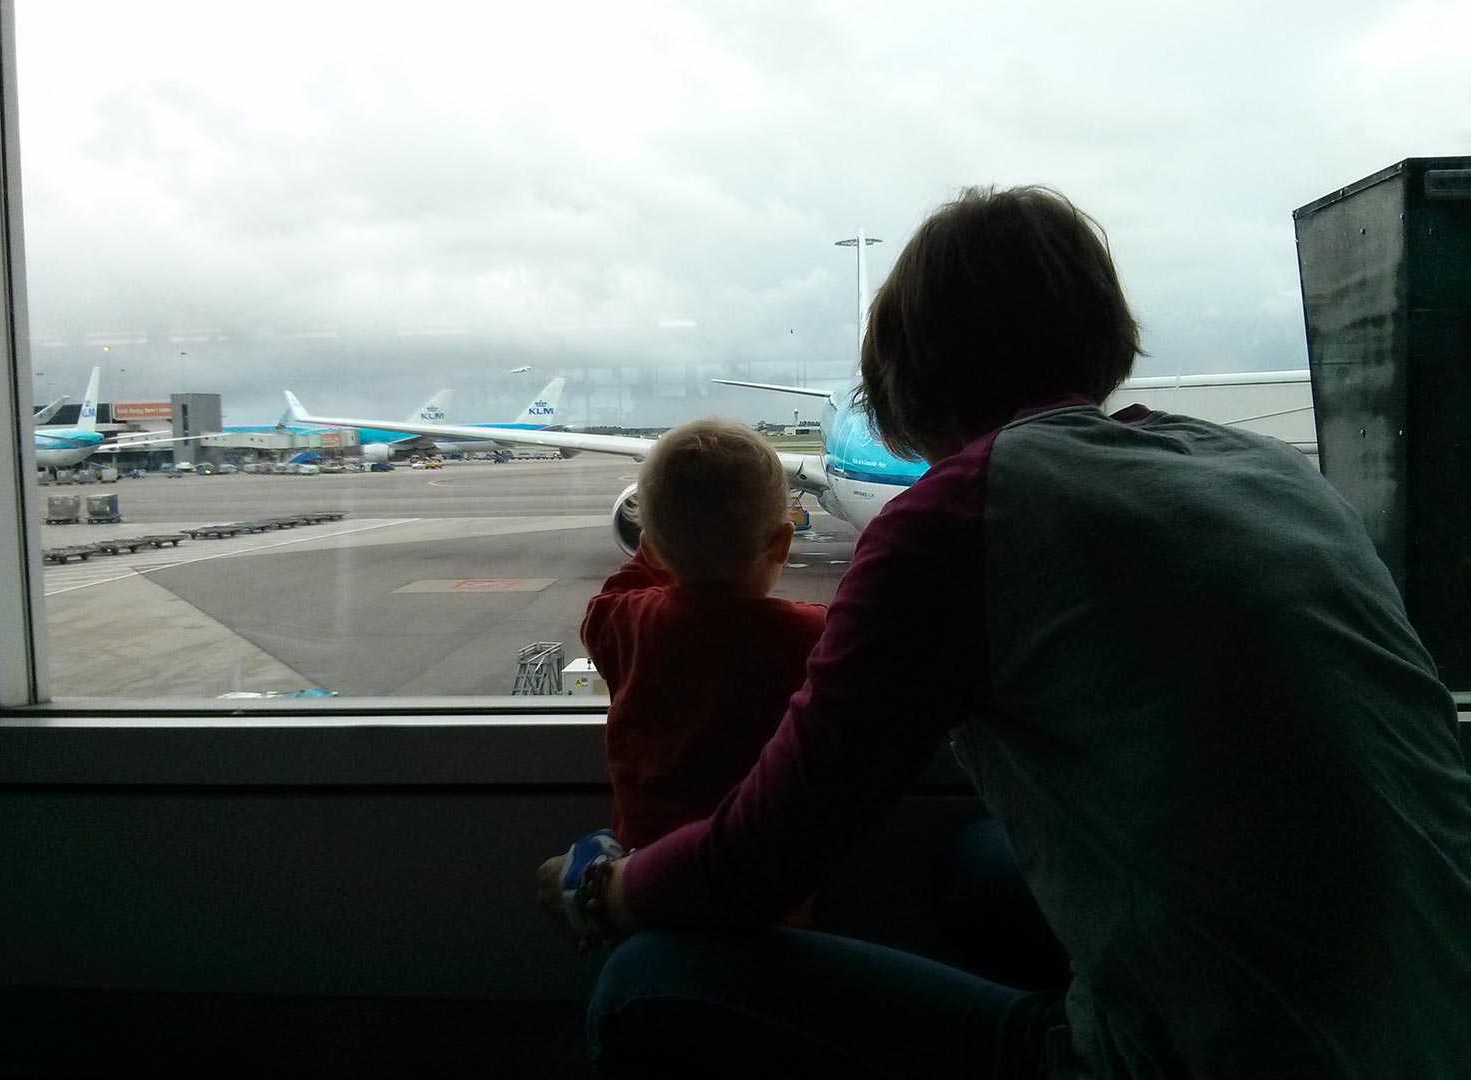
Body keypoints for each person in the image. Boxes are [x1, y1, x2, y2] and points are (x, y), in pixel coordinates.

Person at [539, 185, 1471, 1078]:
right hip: (1441, 1017)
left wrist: (605, 890)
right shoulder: (1272, 471)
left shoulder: (959, 516)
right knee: (975, 867)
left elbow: (758, 859)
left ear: (904, 370)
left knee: (643, 982)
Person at [582, 418, 827, 854]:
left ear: (650, 548)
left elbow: (609, 598)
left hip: (646, 862)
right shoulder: (814, 634)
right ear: (782, 544)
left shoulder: (623, 620)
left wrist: (659, 541)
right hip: (759, 863)